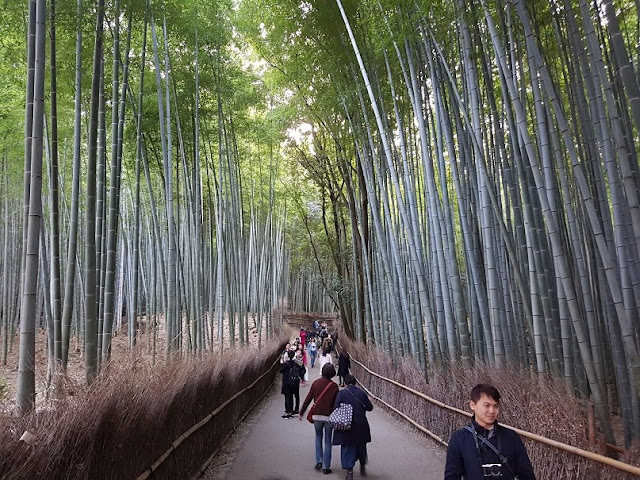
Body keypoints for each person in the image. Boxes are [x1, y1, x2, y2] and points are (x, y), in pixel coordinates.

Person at [444, 384, 536, 480]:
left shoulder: (511, 437)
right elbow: (452, 476)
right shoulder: (459, 439)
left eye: (495, 406)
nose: (492, 411)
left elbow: (526, 475)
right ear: (472, 405)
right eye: (486, 405)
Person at [299, 363, 340, 474]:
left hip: (317, 415)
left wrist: (301, 412)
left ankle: (319, 461)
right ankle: (326, 467)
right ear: (332, 373)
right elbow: (337, 403)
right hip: (329, 416)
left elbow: (309, 398)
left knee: (318, 437)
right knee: (327, 441)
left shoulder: (316, 383)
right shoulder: (334, 386)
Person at [332, 374, 373, 480]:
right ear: (355, 382)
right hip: (361, 424)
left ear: (345, 383)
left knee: (347, 447)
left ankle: (349, 472)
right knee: (361, 446)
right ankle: (362, 465)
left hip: (347, 425)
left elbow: (336, 407)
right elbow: (369, 408)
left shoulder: (341, 394)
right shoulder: (361, 393)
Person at [280, 350, 306, 418]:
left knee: (287, 397)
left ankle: (288, 412)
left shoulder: (286, 364)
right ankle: (294, 410)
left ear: (288, 356)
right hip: (295, 381)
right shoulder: (296, 363)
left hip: (287, 381)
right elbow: (303, 369)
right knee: (294, 396)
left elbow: (281, 370)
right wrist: (299, 376)